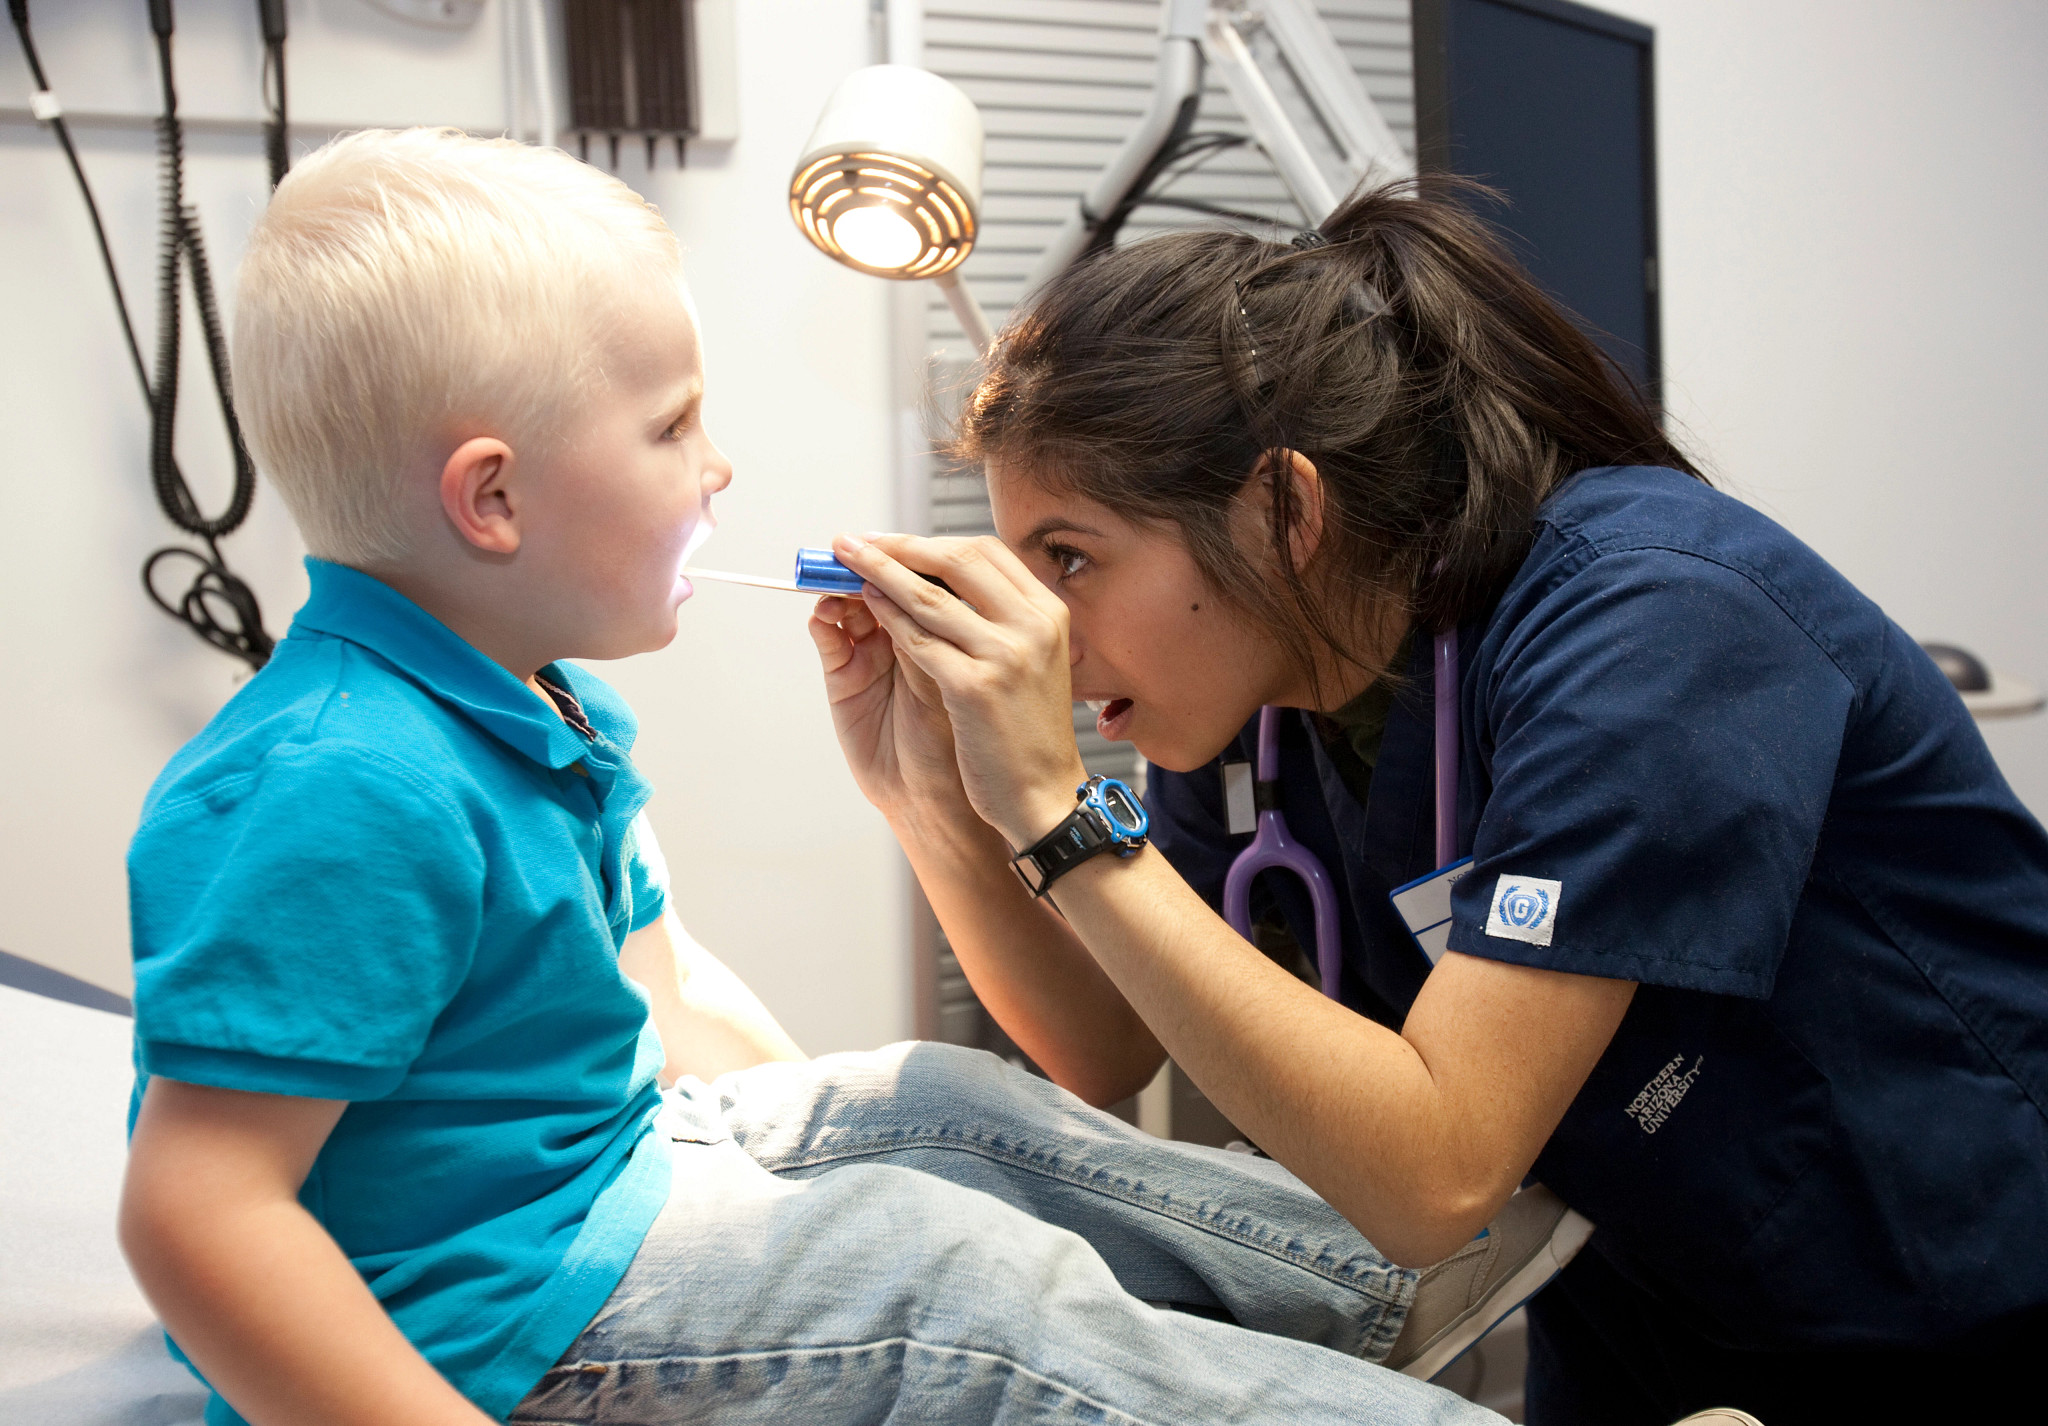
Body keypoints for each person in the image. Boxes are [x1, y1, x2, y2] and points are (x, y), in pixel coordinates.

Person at [118, 128, 1535, 1426]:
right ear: (492, 499)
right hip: (491, 1318)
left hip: (605, 1174)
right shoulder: (343, 783)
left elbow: (659, 1001)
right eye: (672, 427)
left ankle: (1378, 1283)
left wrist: (864, 1156)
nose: (719, 465)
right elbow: (196, 1213)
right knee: (941, 1283)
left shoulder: (532, 709)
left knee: (933, 1104)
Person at [808, 180, 2048, 1425]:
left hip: (1949, 1284)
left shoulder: (1650, 617)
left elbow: (1435, 1169)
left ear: (1283, 511)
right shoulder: (1258, 699)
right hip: (1651, 1311)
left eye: (1068, 556)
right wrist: (930, 798)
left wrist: (1060, 812)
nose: (1040, 621)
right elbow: (1104, 1046)